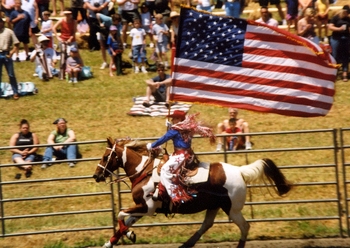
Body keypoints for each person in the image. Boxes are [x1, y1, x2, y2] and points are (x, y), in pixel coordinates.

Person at [146, 110, 215, 205]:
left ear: (178, 119)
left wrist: (152, 145)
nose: (172, 119)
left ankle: (175, 195)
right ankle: (161, 189)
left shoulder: (175, 130)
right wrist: (171, 127)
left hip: (181, 155)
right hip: (187, 154)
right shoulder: (185, 127)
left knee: (165, 169)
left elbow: (163, 139)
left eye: (174, 118)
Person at [0, 17, 20, 100]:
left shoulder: (9, 32)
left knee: (11, 74)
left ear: (2, 22)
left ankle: (15, 92)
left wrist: (12, 52)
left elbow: (17, 43)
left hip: (6, 54)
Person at [328, 5, 349, 82]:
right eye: (347, 13)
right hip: (336, 38)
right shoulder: (336, 17)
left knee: (345, 55)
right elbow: (330, 26)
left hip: (346, 38)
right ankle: (334, 72)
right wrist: (339, 29)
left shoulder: (348, 19)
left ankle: (345, 72)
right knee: (335, 55)